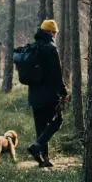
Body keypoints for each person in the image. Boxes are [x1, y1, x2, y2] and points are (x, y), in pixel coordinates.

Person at [27, 19, 69, 168]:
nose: (56, 35)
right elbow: (57, 75)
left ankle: (43, 159)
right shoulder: (51, 48)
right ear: (51, 32)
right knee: (57, 121)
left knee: (41, 126)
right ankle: (37, 147)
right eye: (55, 32)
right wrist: (64, 92)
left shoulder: (33, 47)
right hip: (49, 95)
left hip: (34, 95)